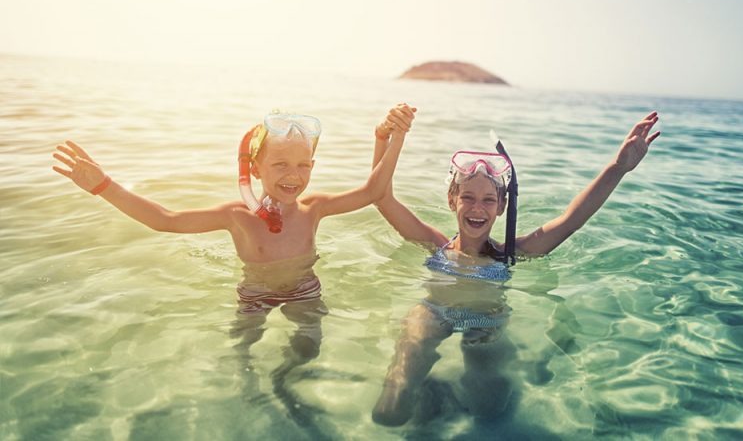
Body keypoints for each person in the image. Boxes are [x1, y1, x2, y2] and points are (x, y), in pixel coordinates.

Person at [51, 107, 411, 419]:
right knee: (244, 344)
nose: (293, 175)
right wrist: (104, 186)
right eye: (281, 164)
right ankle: (246, 386)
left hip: (305, 290)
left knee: (308, 347)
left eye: (303, 165)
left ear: (313, 167)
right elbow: (166, 219)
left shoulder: (314, 208)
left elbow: (373, 191)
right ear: (254, 169)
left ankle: (285, 379)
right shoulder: (237, 216)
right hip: (255, 293)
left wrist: (394, 137)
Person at [370, 111, 661, 425]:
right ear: (452, 200)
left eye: (488, 200)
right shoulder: (434, 243)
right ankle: (416, 389)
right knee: (393, 404)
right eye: (467, 197)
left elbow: (571, 220)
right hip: (434, 311)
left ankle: (442, 394)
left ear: (502, 206)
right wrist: (381, 139)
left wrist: (618, 168)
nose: (477, 208)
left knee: (490, 409)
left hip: (487, 322)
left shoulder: (509, 254)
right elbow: (381, 198)